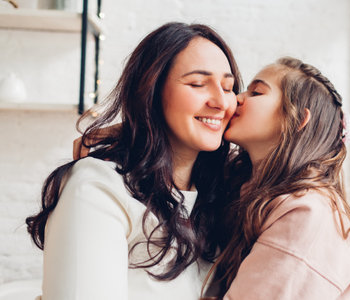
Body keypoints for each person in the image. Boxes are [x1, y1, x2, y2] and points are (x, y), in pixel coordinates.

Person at [26, 22, 242, 300]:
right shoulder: (98, 186)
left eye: (228, 87)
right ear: (150, 91)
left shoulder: (223, 195)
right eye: (198, 84)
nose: (221, 102)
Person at [207, 57, 350, 299]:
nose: (237, 98)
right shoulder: (254, 192)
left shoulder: (309, 214)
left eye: (256, 92)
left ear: (297, 119)